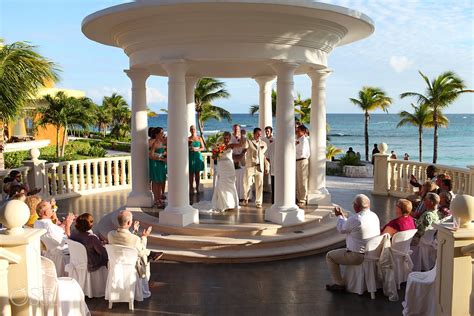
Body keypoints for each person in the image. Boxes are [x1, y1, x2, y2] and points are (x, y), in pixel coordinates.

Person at [325, 194, 380, 292]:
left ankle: (339, 284)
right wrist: (343, 218)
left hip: (357, 256)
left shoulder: (356, 218)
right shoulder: (374, 216)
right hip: (372, 253)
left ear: (356, 206)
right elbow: (352, 227)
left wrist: (339, 216)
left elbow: (342, 229)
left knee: (330, 256)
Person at [108, 211, 162, 277]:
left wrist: (134, 232)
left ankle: (151, 254)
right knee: (143, 254)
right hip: (131, 268)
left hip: (116, 266)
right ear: (129, 223)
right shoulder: (135, 239)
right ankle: (150, 254)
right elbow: (140, 252)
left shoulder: (110, 235)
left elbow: (125, 240)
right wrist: (144, 237)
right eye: (131, 220)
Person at [210, 131, 246, 212]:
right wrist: (216, 153)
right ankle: (222, 204)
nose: (226, 139)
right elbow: (213, 157)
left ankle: (231, 203)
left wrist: (243, 135)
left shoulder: (231, 145)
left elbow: (241, 144)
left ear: (229, 138)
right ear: (223, 138)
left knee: (230, 184)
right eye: (225, 138)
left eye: (227, 138)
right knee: (221, 184)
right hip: (222, 168)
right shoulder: (219, 146)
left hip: (229, 167)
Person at [242, 128, 267, 208]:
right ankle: (246, 198)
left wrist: (266, 166)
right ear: (254, 133)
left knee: (260, 185)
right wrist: (243, 137)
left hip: (260, 167)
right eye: (257, 133)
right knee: (247, 184)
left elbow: (264, 156)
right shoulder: (248, 142)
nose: (259, 135)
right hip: (250, 166)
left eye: (260, 134)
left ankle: (259, 202)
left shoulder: (264, 143)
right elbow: (244, 147)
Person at [149, 127, 167, 208]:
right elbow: (151, 155)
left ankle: (159, 199)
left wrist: (165, 156)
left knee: (160, 182)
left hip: (161, 164)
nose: (163, 134)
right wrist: (161, 158)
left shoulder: (162, 142)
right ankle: (156, 200)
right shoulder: (155, 142)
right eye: (161, 133)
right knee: (156, 182)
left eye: (163, 132)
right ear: (157, 134)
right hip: (156, 164)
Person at [295, 125, 310, 207]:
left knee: (302, 181)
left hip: (302, 161)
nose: (296, 132)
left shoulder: (304, 140)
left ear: (303, 132)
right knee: (298, 180)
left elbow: (301, 153)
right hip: (297, 161)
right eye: (296, 130)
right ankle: (298, 197)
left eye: (298, 130)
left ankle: (302, 199)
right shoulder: (298, 139)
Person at [188, 125, 205, 194]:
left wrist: (196, 149)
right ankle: (191, 187)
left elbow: (203, 148)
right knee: (191, 173)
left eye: (194, 129)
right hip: (191, 156)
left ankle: (197, 187)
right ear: (190, 130)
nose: (193, 130)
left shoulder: (199, 138)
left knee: (197, 173)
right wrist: (189, 149)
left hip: (197, 156)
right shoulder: (188, 139)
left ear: (196, 130)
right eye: (191, 129)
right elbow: (185, 148)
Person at [263, 126, 275, 204]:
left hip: (271, 159)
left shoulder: (274, 140)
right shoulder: (263, 140)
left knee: (271, 174)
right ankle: (265, 189)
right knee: (264, 175)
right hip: (264, 158)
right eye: (266, 131)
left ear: (271, 131)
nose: (267, 132)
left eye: (268, 131)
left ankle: (271, 191)